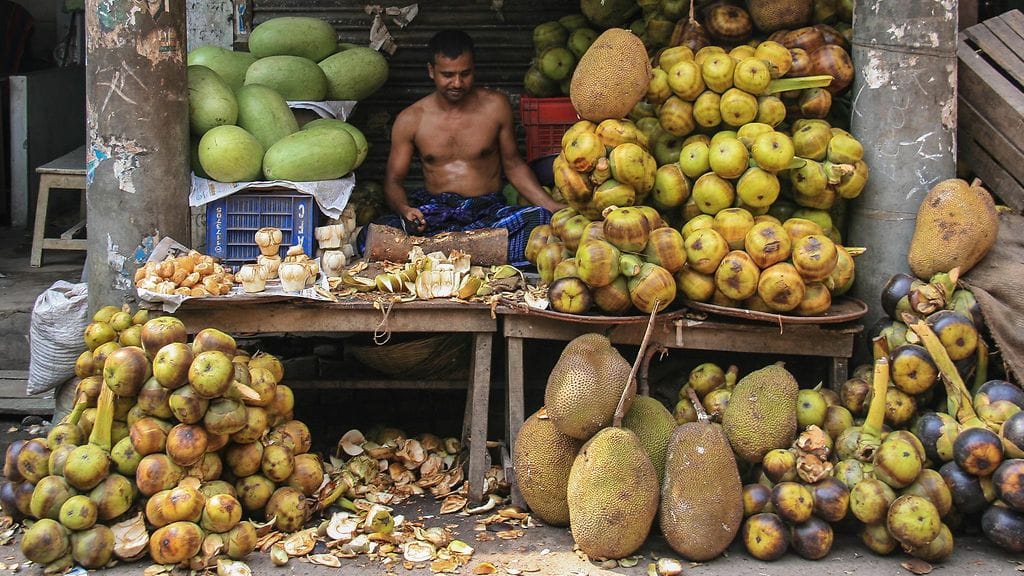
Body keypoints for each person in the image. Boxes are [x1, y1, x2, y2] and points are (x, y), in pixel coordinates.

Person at [359, 29, 564, 267]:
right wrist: (405, 209)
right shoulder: (411, 119)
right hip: (435, 214)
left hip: (488, 212)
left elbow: (514, 165)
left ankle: (436, 254)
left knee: (540, 220)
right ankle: (477, 253)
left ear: (473, 69)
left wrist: (551, 206)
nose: (457, 83)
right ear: (431, 71)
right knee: (369, 235)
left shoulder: (495, 107)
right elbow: (394, 180)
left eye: (465, 74)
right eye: (447, 75)